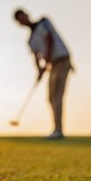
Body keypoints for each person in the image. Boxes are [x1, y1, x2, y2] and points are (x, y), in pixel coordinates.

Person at [14, 8, 73, 140]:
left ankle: (58, 130)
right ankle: (57, 129)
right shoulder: (30, 40)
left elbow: (49, 40)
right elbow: (36, 56)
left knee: (57, 96)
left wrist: (45, 63)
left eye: (22, 16)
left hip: (62, 60)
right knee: (51, 98)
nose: (22, 20)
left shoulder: (43, 21)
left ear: (27, 14)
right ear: (20, 23)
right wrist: (39, 71)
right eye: (19, 19)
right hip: (52, 65)